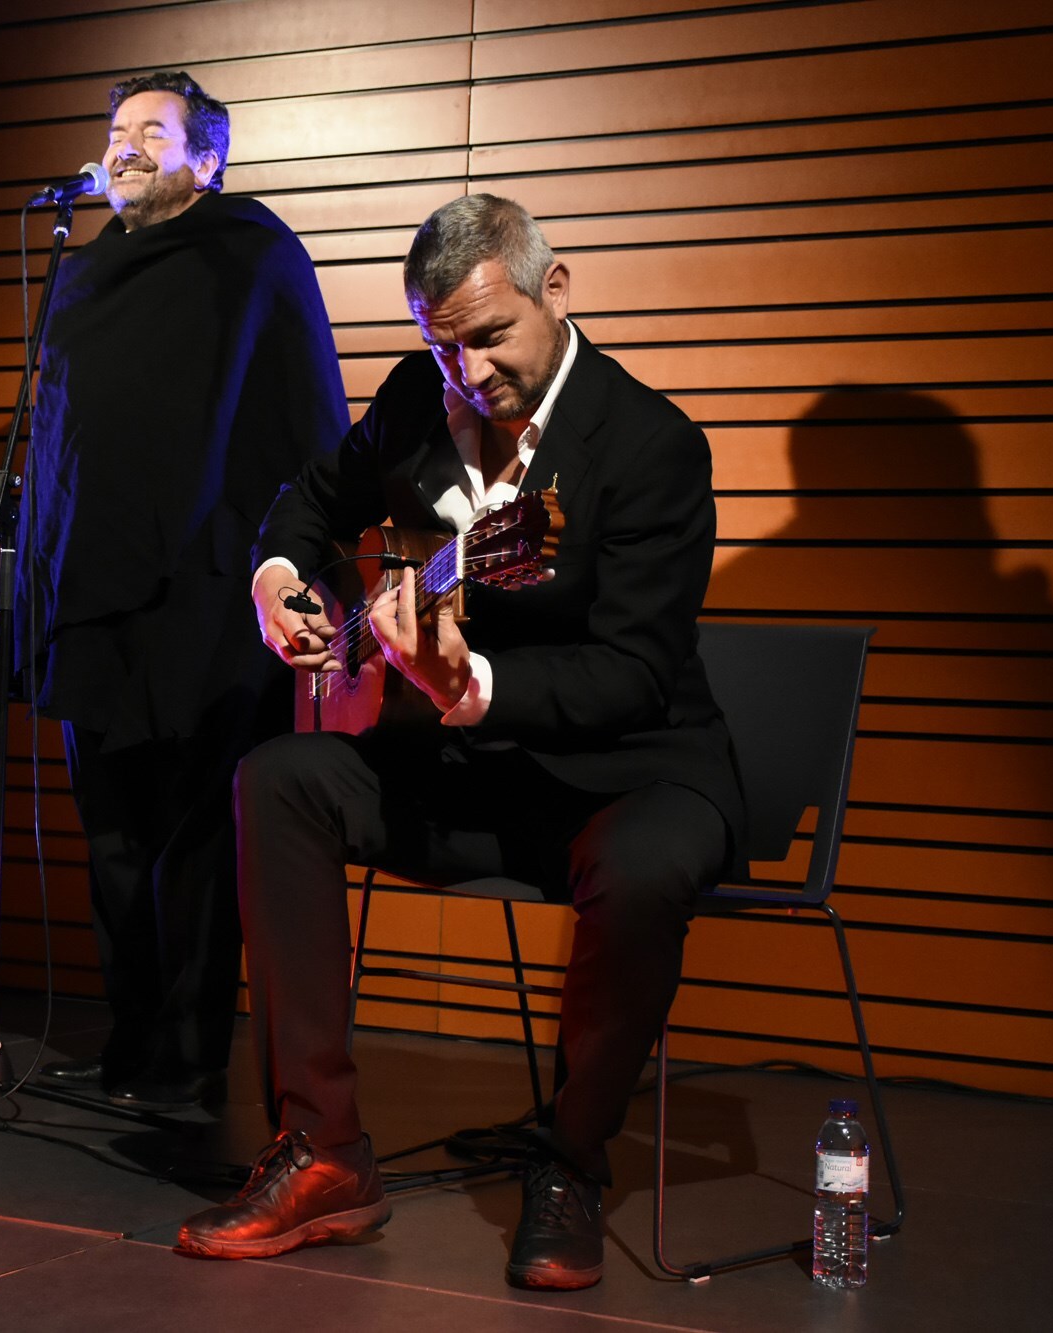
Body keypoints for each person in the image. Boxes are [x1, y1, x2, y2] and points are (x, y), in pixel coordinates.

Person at [176, 195, 745, 1288]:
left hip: (628, 769)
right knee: (277, 778)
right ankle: (323, 1152)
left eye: (490, 337)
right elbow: (304, 502)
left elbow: (632, 672)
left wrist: (468, 679)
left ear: (555, 290)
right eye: (442, 346)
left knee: (643, 867)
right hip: (458, 767)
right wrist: (280, 585)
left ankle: (572, 1160)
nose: (468, 371)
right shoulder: (411, 398)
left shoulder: (651, 445)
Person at [19, 71, 349, 1110]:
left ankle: (192, 1053)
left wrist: (303, 570)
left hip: (206, 592)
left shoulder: (248, 251)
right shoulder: (78, 272)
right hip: (92, 597)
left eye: (149, 133)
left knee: (198, 837)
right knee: (110, 834)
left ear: (207, 157)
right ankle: (130, 1042)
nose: (122, 147)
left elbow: (304, 418)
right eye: (114, 132)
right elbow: (62, 450)